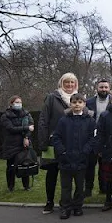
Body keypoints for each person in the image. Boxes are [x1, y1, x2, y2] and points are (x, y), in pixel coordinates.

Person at [38, 72, 79, 214]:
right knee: (52, 173)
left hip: (72, 144)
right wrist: (43, 142)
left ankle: (67, 202)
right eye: (66, 82)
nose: (69, 85)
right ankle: (49, 202)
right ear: (61, 83)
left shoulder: (79, 99)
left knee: (68, 175)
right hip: (53, 142)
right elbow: (43, 120)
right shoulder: (52, 98)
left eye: (72, 82)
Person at [51, 93, 96, 220]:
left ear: (84, 104)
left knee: (79, 186)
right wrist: (62, 151)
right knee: (66, 186)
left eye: (80, 102)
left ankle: (78, 206)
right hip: (66, 159)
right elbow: (56, 137)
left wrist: (86, 151)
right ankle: (65, 208)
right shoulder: (63, 120)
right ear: (70, 104)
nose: (77, 105)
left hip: (82, 159)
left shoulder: (90, 121)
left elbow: (93, 138)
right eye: (74, 102)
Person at [85, 79, 112, 197]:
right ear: (97, 88)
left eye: (106, 87)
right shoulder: (88, 102)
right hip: (91, 137)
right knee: (90, 165)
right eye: (101, 87)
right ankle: (88, 188)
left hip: (107, 138)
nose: (104, 89)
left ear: (109, 89)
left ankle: (104, 188)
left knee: (104, 164)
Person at [1, 96, 34, 192]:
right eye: (16, 102)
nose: (18, 104)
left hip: (23, 143)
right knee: (11, 166)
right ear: (11, 103)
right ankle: (10, 186)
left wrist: (26, 137)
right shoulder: (6, 116)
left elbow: (31, 126)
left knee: (25, 164)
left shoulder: (26, 114)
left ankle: (26, 186)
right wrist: (26, 128)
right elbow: (11, 129)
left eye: (20, 102)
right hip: (11, 144)